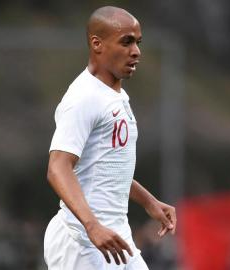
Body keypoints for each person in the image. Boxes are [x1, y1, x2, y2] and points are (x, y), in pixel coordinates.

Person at [44, 6, 177, 270]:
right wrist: (92, 226)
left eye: (138, 42)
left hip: (116, 235)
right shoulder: (83, 98)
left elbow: (106, 168)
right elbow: (57, 167)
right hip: (81, 240)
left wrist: (149, 202)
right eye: (126, 41)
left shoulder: (115, 96)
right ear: (97, 44)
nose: (136, 51)